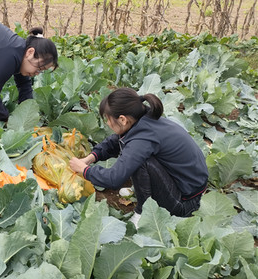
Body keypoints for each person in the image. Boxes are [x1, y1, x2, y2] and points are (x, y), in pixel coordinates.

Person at [69, 88, 208, 226]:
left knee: (142, 161)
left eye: (108, 119)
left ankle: (142, 214)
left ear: (122, 119)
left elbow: (113, 179)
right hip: (188, 188)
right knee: (136, 157)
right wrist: (91, 157)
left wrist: (85, 170)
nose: (107, 123)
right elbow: (115, 141)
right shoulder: (144, 119)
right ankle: (146, 193)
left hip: (184, 204)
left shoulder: (143, 139)